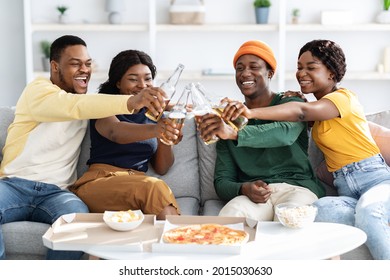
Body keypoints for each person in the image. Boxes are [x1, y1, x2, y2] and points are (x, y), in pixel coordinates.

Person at [0, 35, 167, 260]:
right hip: (13, 185)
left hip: (57, 192)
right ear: (55, 66)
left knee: (77, 220)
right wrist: (133, 101)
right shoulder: (38, 90)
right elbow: (71, 106)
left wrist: (170, 108)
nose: (84, 69)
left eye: (88, 64)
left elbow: (91, 107)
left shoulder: (87, 103)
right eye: (75, 63)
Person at [224, 39, 390, 260]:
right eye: (299, 67)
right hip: (347, 191)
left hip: (376, 181)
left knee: (369, 212)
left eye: (311, 67)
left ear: (331, 73)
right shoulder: (318, 115)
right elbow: (298, 114)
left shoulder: (343, 99)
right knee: (311, 213)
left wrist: (251, 113)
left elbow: (300, 112)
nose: (302, 73)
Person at [197, 40, 325, 222]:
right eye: (239, 68)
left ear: (270, 72)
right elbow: (222, 181)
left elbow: (284, 134)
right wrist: (244, 188)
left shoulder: (290, 103)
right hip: (255, 198)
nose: (245, 73)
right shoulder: (227, 119)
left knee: (291, 219)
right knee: (230, 217)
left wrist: (234, 134)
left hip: (297, 188)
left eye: (254, 67)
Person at [69, 50, 181, 219]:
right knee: (154, 187)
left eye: (148, 78)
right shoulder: (103, 105)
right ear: (118, 83)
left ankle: (172, 241)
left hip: (135, 186)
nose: (142, 85)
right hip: (99, 183)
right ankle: (180, 241)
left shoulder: (153, 115)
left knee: (152, 188)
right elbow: (116, 132)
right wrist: (158, 129)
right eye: (133, 79)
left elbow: (162, 167)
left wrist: (166, 133)